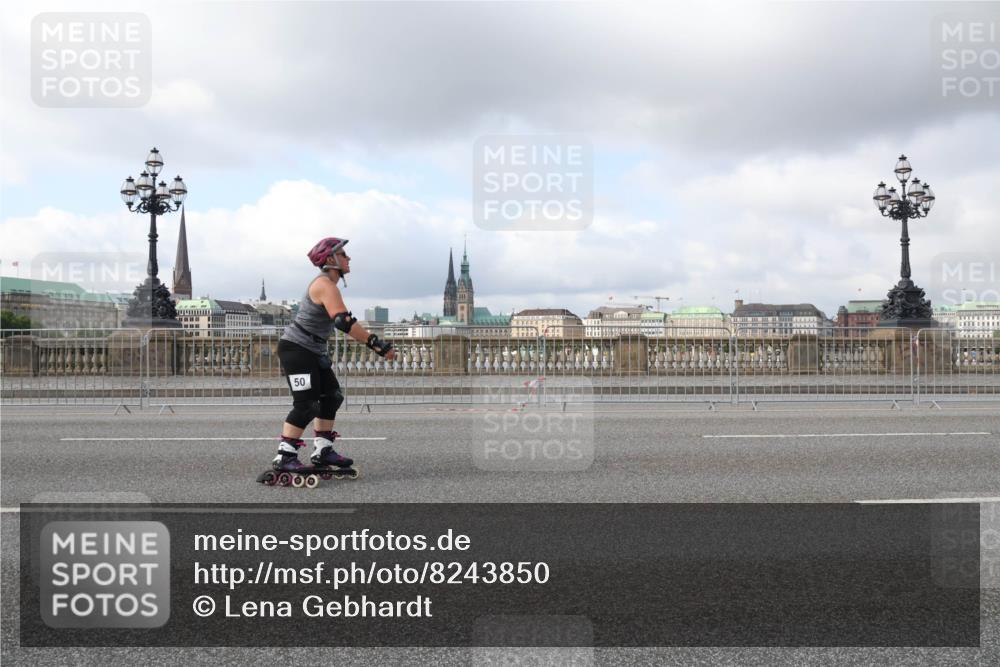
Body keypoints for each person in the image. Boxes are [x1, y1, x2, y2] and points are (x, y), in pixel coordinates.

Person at [272, 237, 395, 474]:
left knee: (332, 397)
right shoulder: (324, 284)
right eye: (344, 254)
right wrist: (376, 344)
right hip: (296, 350)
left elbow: (342, 321)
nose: (349, 258)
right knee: (307, 405)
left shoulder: (330, 284)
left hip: (313, 350)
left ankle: (323, 450)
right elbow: (343, 321)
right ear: (331, 259)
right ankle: (285, 455)